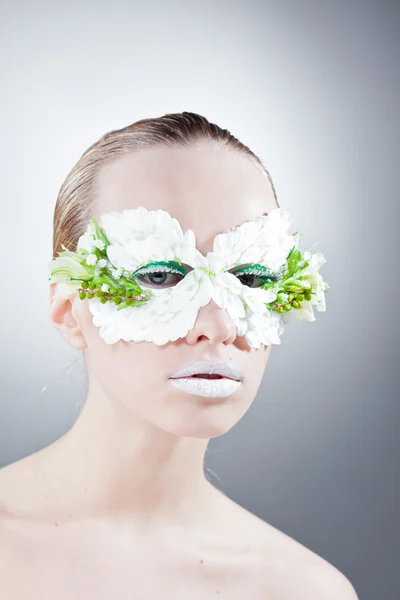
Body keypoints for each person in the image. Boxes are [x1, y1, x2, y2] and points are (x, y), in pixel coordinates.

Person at [0, 112, 358, 599]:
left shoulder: (304, 590)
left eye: (251, 277)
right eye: (160, 275)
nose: (220, 326)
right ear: (69, 312)